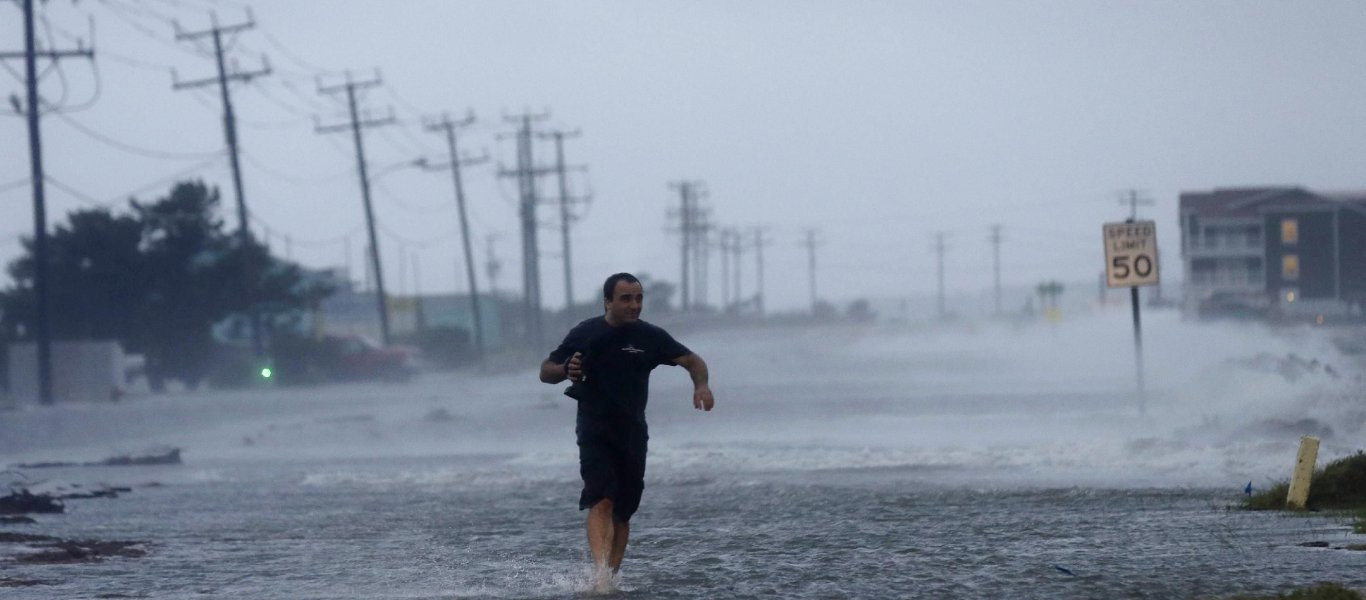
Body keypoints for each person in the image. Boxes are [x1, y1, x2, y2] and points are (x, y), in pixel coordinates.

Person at [540, 272, 714, 580]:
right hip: (594, 428)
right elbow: (546, 371)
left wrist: (701, 386)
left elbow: (693, 360)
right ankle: (599, 576)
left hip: (632, 431)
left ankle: (609, 577)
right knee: (601, 498)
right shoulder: (587, 332)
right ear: (607, 301)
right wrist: (566, 369)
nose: (634, 305)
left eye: (638, 298)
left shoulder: (651, 337)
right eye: (625, 299)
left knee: (623, 511)